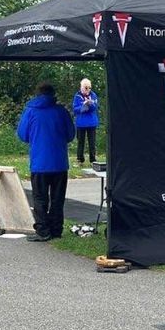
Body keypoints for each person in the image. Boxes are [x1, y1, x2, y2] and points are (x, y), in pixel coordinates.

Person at [17, 82, 76, 241]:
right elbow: (70, 135)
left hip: (40, 162)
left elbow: (23, 135)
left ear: (38, 94)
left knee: (40, 197)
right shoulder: (61, 111)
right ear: (53, 94)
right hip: (59, 162)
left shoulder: (30, 111)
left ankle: (43, 230)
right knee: (57, 198)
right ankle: (56, 229)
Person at [72, 77, 99, 166]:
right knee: (80, 141)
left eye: (89, 87)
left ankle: (93, 159)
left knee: (92, 142)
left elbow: (95, 107)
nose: (87, 90)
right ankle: (80, 159)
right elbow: (75, 109)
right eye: (85, 87)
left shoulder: (93, 95)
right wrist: (83, 105)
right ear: (81, 87)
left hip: (91, 122)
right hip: (81, 123)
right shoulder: (77, 96)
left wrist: (90, 104)